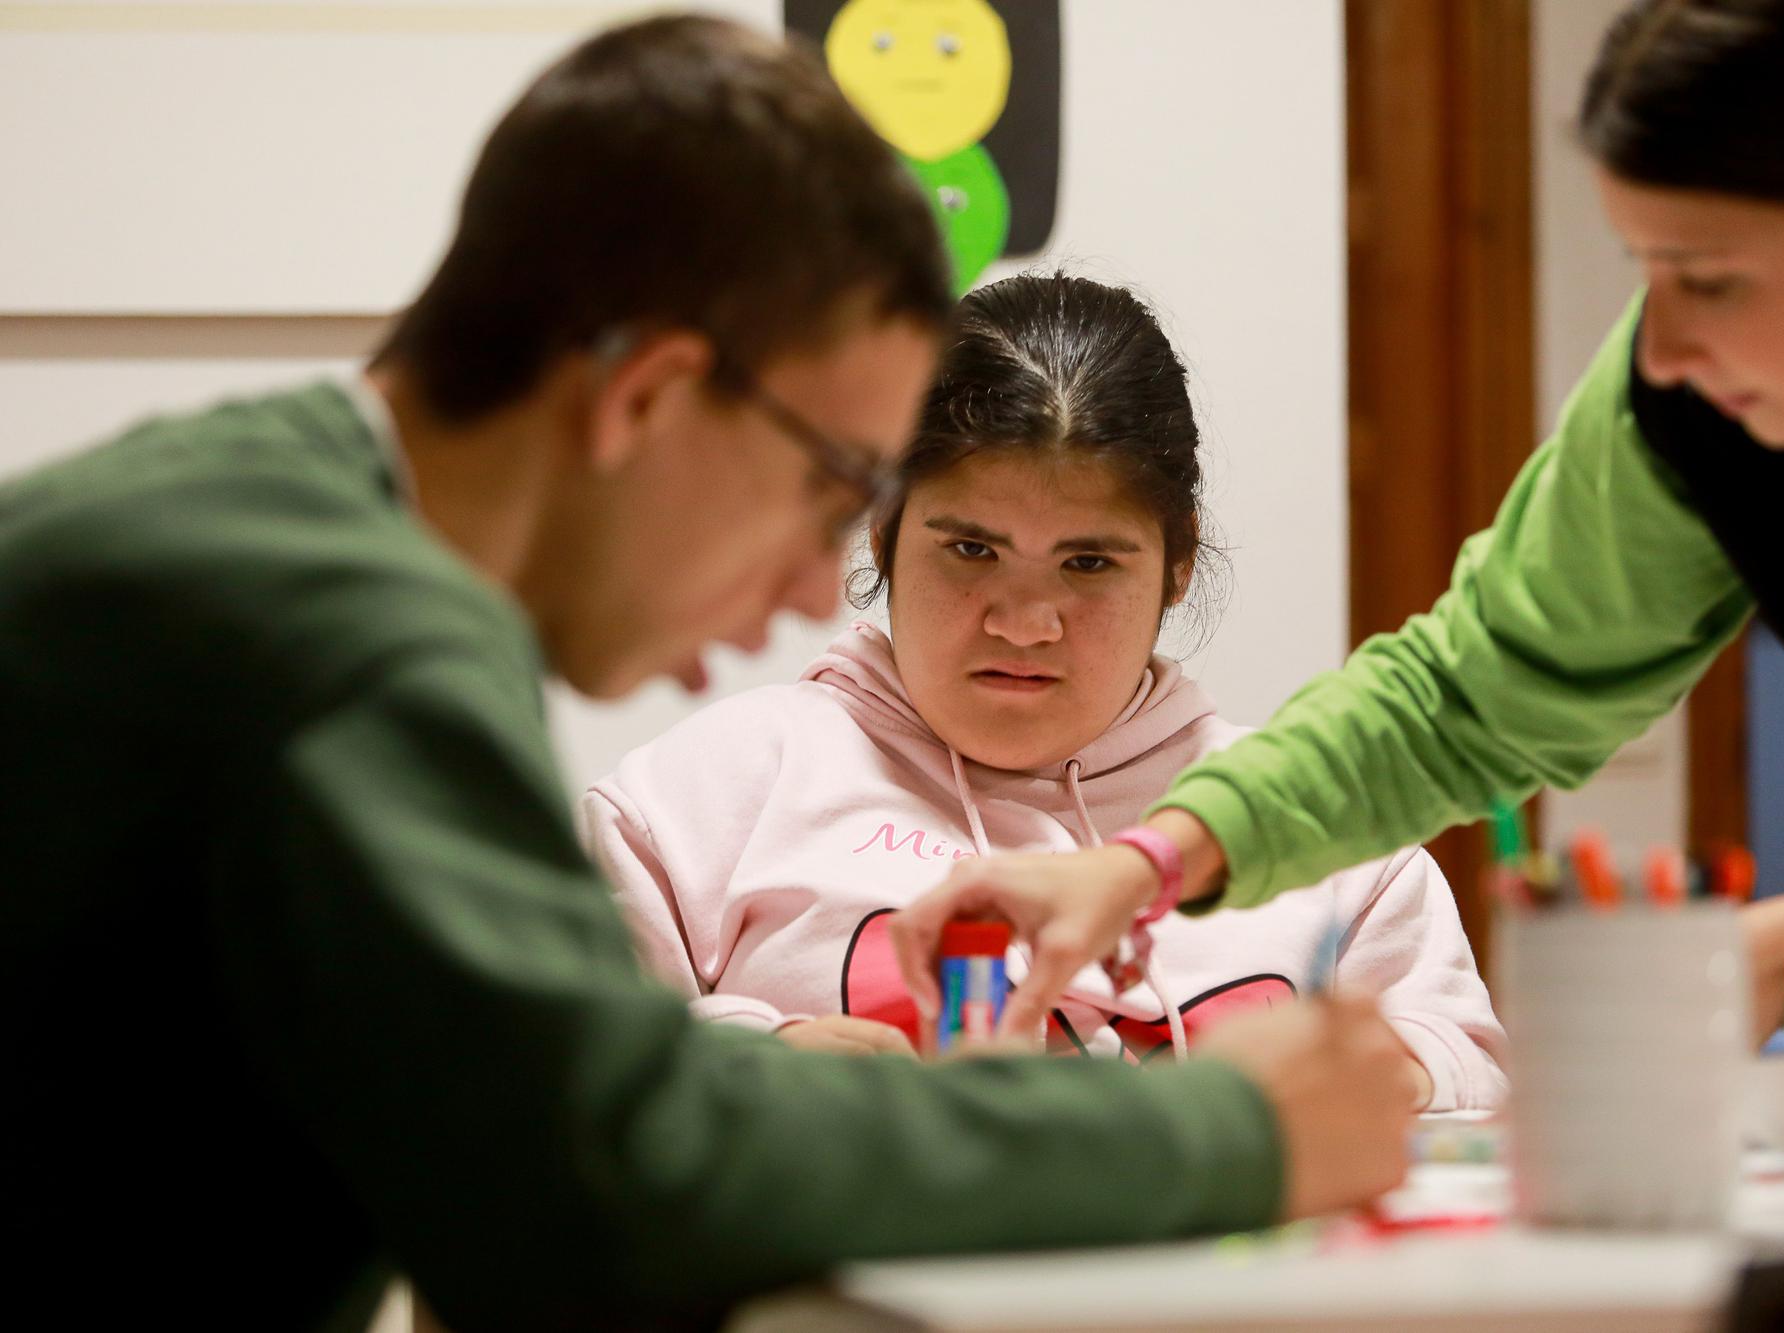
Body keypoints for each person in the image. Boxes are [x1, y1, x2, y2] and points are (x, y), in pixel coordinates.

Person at [1, 16, 1416, 1330]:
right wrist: (1226, 1134)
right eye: (827, 491)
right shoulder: (351, 639)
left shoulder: (246, 511)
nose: (818, 587)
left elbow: (560, 1109)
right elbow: (607, 1180)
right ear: (648, 397)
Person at [894, 0, 1784, 1063]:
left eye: (1708, 279)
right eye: (1643, 271)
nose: (1655, 351)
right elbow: (1460, 699)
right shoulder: (1695, 405)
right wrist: (1149, 862)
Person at [585, 273, 1508, 1106]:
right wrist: (757, 1054)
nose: (1025, 621)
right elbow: (566, 1070)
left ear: (1178, 563)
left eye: (1090, 562)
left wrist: (1349, 1075)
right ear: (882, 530)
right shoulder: (698, 801)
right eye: (972, 549)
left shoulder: (1318, 835)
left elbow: (1470, 1070)